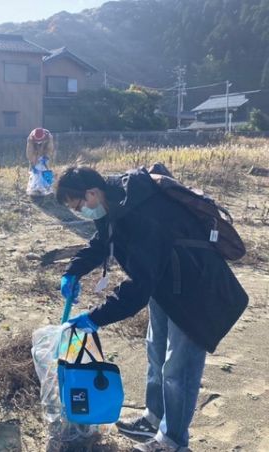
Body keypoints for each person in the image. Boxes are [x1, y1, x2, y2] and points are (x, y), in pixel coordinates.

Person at [55, 166, 248, 452]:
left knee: (178, 367)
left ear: (91, 193)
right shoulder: (113, 201)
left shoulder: (139, 211)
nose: (79, 212)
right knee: (156, 351)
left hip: (195, 289)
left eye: (78, 206)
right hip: (166, 280)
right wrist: (73, 271)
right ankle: (153, 418)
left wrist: (95, 319)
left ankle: (173, 441)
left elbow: (138, 290)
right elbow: (103, 241)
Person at [26, 128, 55, 196]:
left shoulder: (49, 137)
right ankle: (35, 188)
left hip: (45, 153)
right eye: (37, 140)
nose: (39, 141)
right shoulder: (30, 139)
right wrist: (33, 162)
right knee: (36, 171)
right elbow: (29, 152)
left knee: (46, 169)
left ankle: (48, 187)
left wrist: (46, 157)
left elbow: (50, 148)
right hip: (35, 153)